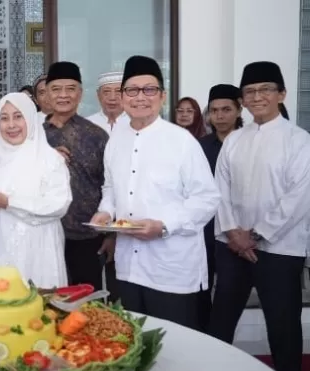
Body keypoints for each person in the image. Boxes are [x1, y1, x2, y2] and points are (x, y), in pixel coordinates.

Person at [91, 55, 220, 329]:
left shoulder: (181, 141)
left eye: (149, 89)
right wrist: (105, 211)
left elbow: (207, 199)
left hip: (172, 267)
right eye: (132, 90)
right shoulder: (116, 140)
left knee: (175, 348)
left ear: (162, 96)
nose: (140, 97)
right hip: (128, 265)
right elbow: (111, 187)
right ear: (123, 97)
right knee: (134, 341)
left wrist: (163, 226)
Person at [210, 61, 310, 371]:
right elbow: (219, 191)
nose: (257, 96)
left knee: (282, 324)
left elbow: (298, 198)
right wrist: (234, 234)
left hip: (279, 250)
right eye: (250, 91)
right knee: (221, 319)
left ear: (281, 93)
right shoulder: (235, 140)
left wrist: (255, 235)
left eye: (265, 89)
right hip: (233, 246)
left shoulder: (299, 141)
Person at [0, 92, 72, 288]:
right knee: (5, 307)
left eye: (18, 116)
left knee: (40, 311)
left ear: (31, 119)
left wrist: (8, 202)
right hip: (2, 245)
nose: (11, 125)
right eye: (4, 118)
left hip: (40, 250)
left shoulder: (49, 158)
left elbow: (59, 204)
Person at [43, 62, 113, 292]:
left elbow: (111, 187)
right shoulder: (32, 136)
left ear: (80, 93)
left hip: (87, 236)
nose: (63, 95)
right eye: (56, 89)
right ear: (47, 93)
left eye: (70, 88)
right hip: (44, 234)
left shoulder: (97, 135)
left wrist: (111, 235)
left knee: (87, 304)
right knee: (48, 301)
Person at [196, 83, 242, 331]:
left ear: (238, 110)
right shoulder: (200, 147)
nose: (220, 116)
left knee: (228, 291)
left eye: (226, 109)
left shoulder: (248, 142)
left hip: (234, 229)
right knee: (201, 285)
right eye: (214, 111)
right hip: (204, 228)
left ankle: (222, 339)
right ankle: (204, 336)